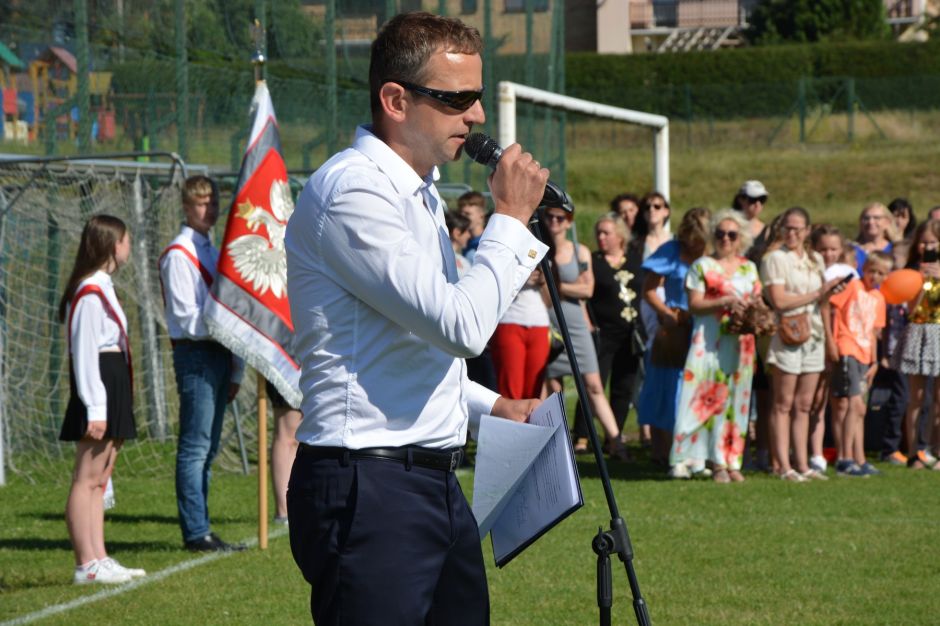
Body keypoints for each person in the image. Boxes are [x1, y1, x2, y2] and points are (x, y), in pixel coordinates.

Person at [283, 13, 550, 624]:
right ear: (396, 100)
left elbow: (413, 348)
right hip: (369, 482)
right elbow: (462, 328)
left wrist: (493, 408)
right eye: (456, 98)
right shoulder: (353, 191)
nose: (476, 115)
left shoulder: (420, 191)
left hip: (429, 478)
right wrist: (509, 219)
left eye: (477, 97)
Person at [160, 175, 245, 552]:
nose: (208, 210)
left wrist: (237, 367)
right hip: (196, 352)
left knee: (208, 449)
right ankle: (196, 531)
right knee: (195, 446)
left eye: (212, 204)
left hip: (219, 352)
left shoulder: (213, 250)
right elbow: (186, 318)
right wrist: (224, 325)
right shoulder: (180, 254)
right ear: (185, 206)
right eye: (200, 203)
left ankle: (202, 525)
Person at [59, 215, 145, 584]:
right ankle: (85, 563)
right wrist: (95, 407)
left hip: (112, 381)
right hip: (98, 386)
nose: (129, 246)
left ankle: (99, 557)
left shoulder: (104, 287)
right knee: (87, 478)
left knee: (100, 478)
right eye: (126, 240)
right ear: (113, 245)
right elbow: (83, 352)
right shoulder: (89, 291)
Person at [671, 209, 761, 483]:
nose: (725, 239)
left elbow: (757, 300)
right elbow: (694, 305)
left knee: (737, 401)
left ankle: (732, 460)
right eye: (720, 233)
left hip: (740, 343)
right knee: (704, 400)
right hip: (708, 343)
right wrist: (723, 301)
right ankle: (710, 461)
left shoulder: (749, 268)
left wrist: (752, 308)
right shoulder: (702, 266)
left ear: (741, 238)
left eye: (732, 234)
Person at [761, 207, 845, 482]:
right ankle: (783, 465)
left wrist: (829, 293)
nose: (791, 233)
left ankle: (802, 463)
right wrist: (818, 292)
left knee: (805, 404)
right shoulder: (775, 259)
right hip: (788, 333)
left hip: (814, 334)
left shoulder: (814, 259)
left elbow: (822, 302)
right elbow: (779, 301)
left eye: (797, 229)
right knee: (783, 402)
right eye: (787, 228)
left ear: (807, 231)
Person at [542, 206, 631, 461]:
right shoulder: (540, 249)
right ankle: (556, 447)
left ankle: (616, 442)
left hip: (576, 325)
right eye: (550, 217)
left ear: (568, 222)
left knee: (593, 385)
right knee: (553, 388)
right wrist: (569, 287)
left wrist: (556, 286)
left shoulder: (579, 251)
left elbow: (588, 290)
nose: (555, 222)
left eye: (560, 218)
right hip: (549, 323)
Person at [637, 207, 710, 471]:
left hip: (703, 330)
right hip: (675, 329)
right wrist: (666, 313)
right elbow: (648, 290)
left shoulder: (713, 253)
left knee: (698, 390)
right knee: (669, 389)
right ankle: (667, 452)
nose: (695, 244)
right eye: (692, 237)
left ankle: (695, 454)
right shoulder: (671, 251)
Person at [570, 212, 643, 453]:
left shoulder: (635, 260)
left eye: (606, 233)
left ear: (620, 236)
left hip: (630, 335)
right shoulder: (593, 261)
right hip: (603, 333)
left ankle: (614, 438)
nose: (601, 237)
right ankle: (582, 435)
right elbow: (584, 295)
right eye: (598, 233)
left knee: (624, 386)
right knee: (594, 384)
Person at [828, 252, 887, 477]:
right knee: (852, 404)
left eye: (880, 273)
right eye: (872, 270)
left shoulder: (879, 298)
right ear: (864, 269)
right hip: (848, 347)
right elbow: (834, 310)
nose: (875, 276)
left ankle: (860, 458)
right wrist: (832, 342)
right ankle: (845, 458)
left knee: (860, 408)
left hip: (864, 354)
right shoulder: (853, 286)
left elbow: (874, 331)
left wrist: (874, 361)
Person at [893, 220, 940, 470]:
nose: (928, 247)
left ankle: (935, 449)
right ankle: (914, 453)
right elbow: (911, 308)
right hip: (919, 331)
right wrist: (923, 281)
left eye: (933, 242)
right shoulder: (911, 271)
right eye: (923, 242)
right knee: (917, 397)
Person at [268, 381, 301, 524]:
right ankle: (283, 512)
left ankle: (295, 506)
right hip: (288, 373)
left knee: (297, 439)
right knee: (288, 436)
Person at [852, 202, 897, 273]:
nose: (870, 222)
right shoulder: (851, 250)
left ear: (887, 222)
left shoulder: (895, 249)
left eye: (877, 218)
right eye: (866, 218)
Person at [732, 180, 770, 264]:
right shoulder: (729, 226)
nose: (757, 204)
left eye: (762, 200)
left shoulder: (767, 231)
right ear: (741, 200)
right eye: (753, 200)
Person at [457, 189, 487, 263]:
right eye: (460, 214)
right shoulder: (461, 241)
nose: (462, 218)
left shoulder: (487, 243)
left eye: (467, 214)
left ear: (481, 216)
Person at [445, 209, 472, 277]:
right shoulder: (440, 260)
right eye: (467, 231)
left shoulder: (464, 261)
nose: (469, 235)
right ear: (456, 233)